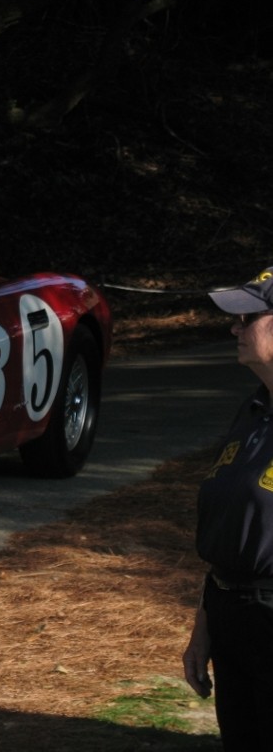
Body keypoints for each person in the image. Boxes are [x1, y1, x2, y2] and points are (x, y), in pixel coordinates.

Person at [183, 265, 273, 750]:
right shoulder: (254, 410)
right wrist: (204, 630)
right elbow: (230, 529)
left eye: (249, 318)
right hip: (231, 613)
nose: (234, 328)